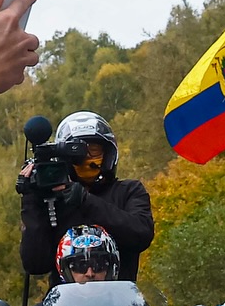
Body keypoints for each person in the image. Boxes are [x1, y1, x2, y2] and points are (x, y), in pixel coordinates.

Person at [18, 111, 155, 284]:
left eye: (94, 150)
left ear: (109, 155)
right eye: (78, 154)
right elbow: (36, 265)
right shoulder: (52, 199)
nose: (87, 159)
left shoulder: (129, 190)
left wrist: (85, 200)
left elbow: (141, 234)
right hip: (64, 305)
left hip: (119, 305)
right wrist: (31, 200)